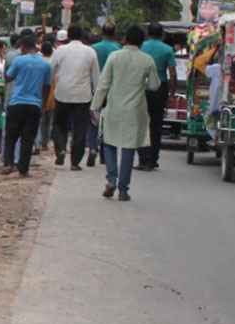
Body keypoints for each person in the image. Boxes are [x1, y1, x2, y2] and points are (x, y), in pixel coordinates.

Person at [92, 26, 160, 201]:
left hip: (114, 107)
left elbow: (103, 84)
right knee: (129, 147)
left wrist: (95, 106)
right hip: (135, 110)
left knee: (109, 143)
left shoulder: (114, 57)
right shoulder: (147, 60)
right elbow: (154, 85)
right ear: (141, 42)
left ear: (125, 39)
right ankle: (123, 189)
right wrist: (140, 84)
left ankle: (111, 180)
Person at [2, 35, 53, 177]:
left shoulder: (19, 60)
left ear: (23, 47)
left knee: (11, 136)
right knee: (28, 138)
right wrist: (42, 104)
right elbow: (47, 87)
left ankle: (9, 164)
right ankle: (23, 170)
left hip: (16, 103)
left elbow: (8, 77)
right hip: (34, 105)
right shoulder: (45, 65)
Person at [51, 26, 101, 170]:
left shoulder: (60, 51)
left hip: (62, 94)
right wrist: (97, 97)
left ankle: (60, 149)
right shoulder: (90, 52)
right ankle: (75, 162)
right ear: (82, 36)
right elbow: (96, 78)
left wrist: (53, 85)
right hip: (82, 96)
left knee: (60, 125)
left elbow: (51, 71)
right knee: (80, 129)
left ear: (68, 37)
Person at [138, 22, 176, 170]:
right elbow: (172, 73)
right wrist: (171, 93)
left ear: (148, 33)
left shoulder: (142, 46)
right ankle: (153, 160)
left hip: (141, 87)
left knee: (141, 124)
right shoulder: (167, 50)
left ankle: (142, 158)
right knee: (156, 125)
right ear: (162, 34)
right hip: (160, 88)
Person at [88, 23, 122, 164]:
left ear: (102, 33)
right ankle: (105, 153)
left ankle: (92, 148)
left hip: (95, 88)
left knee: (93, 120)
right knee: (109, 121)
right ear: (114, 33)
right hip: (112, 90)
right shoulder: (118, 49)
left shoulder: (94, 49)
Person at [36, 40, 57, 153]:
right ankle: (45, 143)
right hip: (52, 94)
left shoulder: (39, 62)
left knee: (40, 121)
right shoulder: (54, 63)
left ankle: (38, 143)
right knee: (49, 121)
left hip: (40, 93)